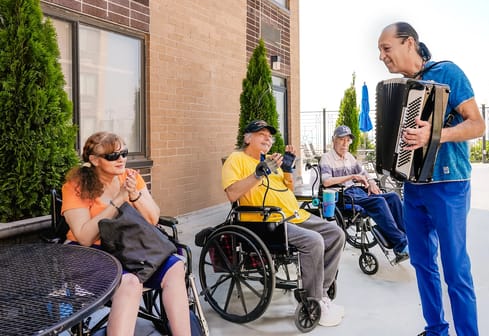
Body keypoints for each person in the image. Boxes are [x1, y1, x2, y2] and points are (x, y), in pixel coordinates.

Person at [378, 22, 485, 336]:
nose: (382, 56)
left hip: (449, 186)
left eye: (386, 48)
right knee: (422, 265)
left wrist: (436, 135)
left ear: (409, 43)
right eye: (380, 51)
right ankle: (436, 329)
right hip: (414, 188)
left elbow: (477, 126)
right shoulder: (400, 87)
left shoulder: (448, 73)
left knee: (455, 269)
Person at [61, 131, 192, 336]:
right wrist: (119, 200)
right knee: (130, 282)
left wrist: (135, 195)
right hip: (90, 253)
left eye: (124, 153)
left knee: (175, 265)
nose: (121, 159)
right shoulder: (75, 186)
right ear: (94, 160)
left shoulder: (132, 177)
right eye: (112, 156)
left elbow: (153, 218)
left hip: (129, 247)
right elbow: (85, 237)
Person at [221, 119, 346, 327]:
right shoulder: (236, 159)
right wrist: (258, 173)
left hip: (294, 215)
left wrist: (287, 169)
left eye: (270, 136)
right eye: (262, 134)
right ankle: (313, 300)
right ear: (248, 138)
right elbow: (232, 194)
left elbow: (286, 191)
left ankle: (320, 293)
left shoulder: (271, 160)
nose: (268, 138)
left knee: (336, 233)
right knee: (314, 241)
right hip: (265, 221)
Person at [319, 124, 409, 263]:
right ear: (334, 140)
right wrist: (351, 177)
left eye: (347, 140)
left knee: (393, 197)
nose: (345, 143)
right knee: (378, 202)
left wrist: (371, 182)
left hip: (357, 192)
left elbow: (364, 173)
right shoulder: (327, 158)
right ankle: (400, 244)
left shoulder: (349, 157)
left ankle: (406, 238)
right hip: (343, 196)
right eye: (341, 139)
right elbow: (326, 181)